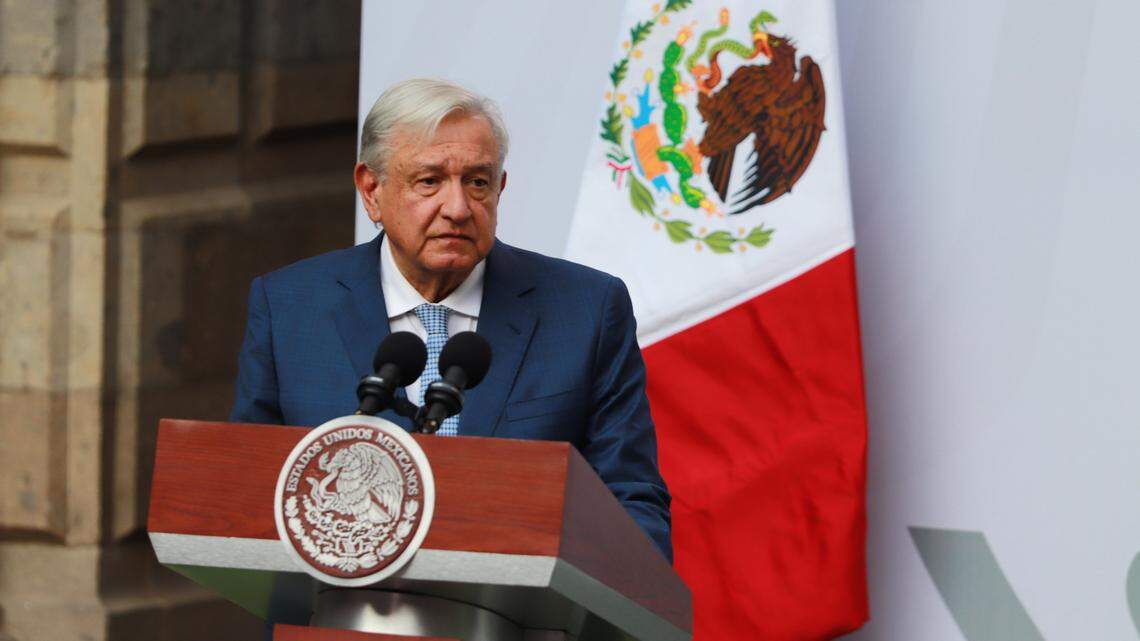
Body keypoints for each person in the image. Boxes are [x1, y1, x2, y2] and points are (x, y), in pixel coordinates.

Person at [230, 78, 671, 562]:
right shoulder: (289, 307)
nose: (458, 208)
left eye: (477, 182)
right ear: (371, 190)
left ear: (500, 189)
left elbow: (630, 503)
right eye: (429, 181)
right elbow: (250, 496)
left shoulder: (587, 309)